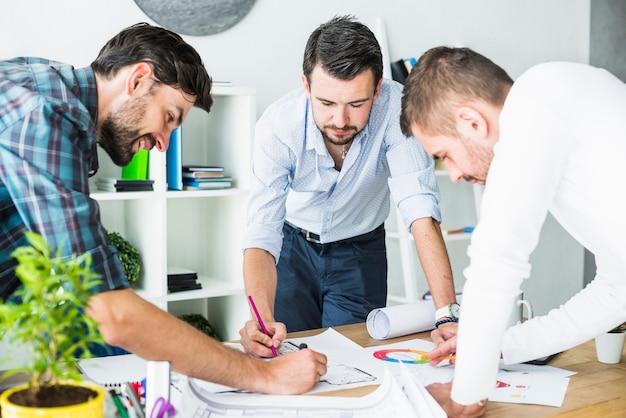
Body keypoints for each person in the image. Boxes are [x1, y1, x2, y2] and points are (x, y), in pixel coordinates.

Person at [0, 22, 326, 395]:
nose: (163, 144)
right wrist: (264, 376)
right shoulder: (47, 117)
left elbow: (87, 285)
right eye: (169, 118)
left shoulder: (43, 83)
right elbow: (114, 314)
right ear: (138, 79)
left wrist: (223, 359)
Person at [400, 46, 626, 417]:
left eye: (445, 155)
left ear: (472, 121)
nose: (453, 175)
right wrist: (497, 346)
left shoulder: (534, 105)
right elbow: (617, 288)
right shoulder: (564, 95)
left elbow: (496, 262)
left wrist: (465, 394)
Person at [240, 15, 459, 358]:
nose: (340, 121)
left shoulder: (397, 109)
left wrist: (447, 314)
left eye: (356, 104)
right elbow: (261, 231)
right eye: (327, 103)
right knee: (285, 356)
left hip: (360, 251)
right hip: (292, 250)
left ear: (377, 88)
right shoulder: (278, 127)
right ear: (307, 86)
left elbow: (419, 210)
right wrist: (260, 318)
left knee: (352, 360)